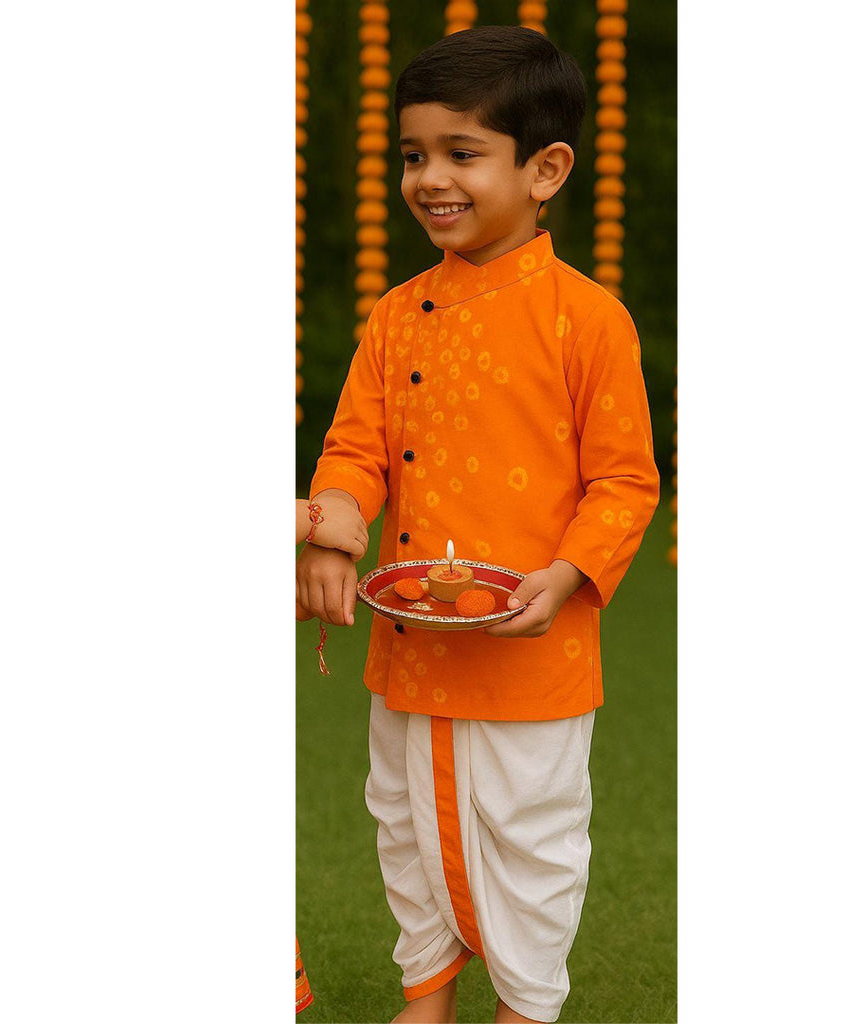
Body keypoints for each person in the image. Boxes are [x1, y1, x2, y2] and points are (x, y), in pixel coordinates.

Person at [296, 25, 660, 1024]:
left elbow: (625, 483)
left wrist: (570, 574)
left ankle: (525, 1004)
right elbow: (354, 449)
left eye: (462, 154)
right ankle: (427, 987)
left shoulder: (587, 321)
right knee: (403, 822)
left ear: (544, 170)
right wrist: (332, 530)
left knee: (529, 835)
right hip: (410, 645)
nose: (429, 180)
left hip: (531, 652)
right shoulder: (395, 315)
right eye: (414, 156)